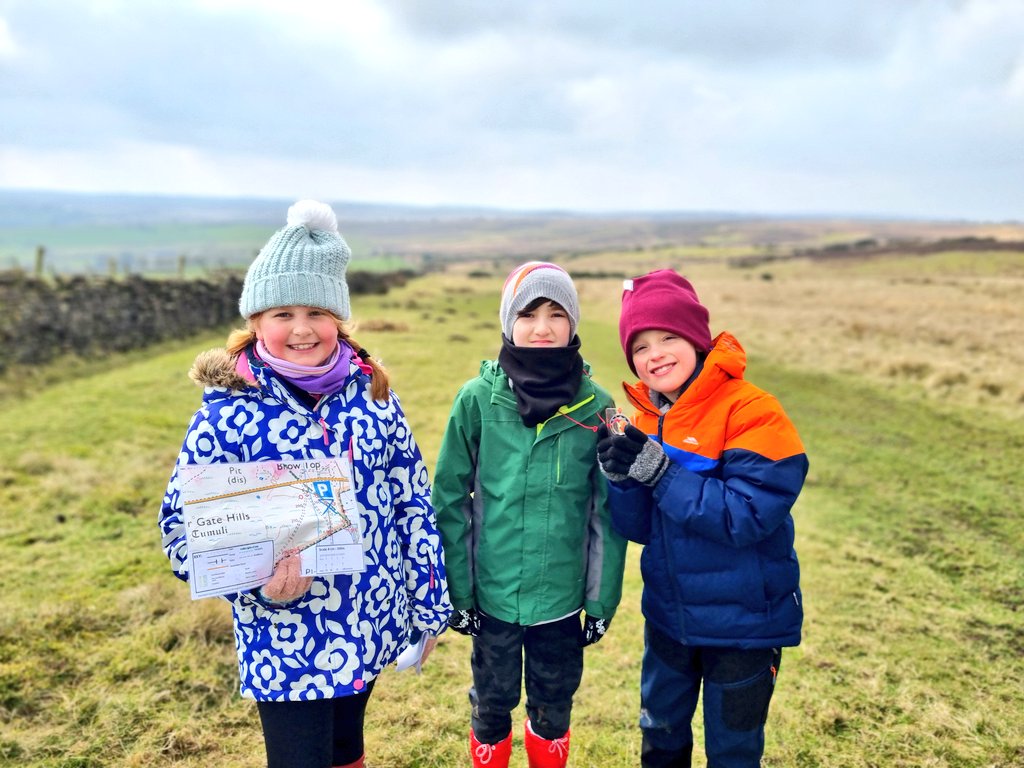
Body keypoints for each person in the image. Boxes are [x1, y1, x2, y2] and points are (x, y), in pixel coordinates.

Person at [158, 200, 452, 768]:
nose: (301, 328)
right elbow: (180, 530)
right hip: (283, 636)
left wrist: (428, 607)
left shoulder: (374, 397)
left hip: (370, 618)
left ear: (338, 318)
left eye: (317, 311)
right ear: (255, 321)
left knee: (346, 749)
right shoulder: (225, 415)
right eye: (282, 313)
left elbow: (413, 503)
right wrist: (256, 585)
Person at [597, 269, 808, 768]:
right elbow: (641, 528)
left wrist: (660, 472)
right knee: (660, 739)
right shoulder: (646, 418)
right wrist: (621, 477)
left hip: (743, 628)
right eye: (640, 347)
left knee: (733, 752)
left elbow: (746, 516)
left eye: (668, 338)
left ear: (696, 339)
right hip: (669, 620)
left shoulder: (754, 411)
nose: (655, 355)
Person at [433, 262, 628, 768]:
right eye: (528, 314)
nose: (543, 327)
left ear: (574, 322)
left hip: (561, 601)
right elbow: (450, 500)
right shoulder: (477, 401)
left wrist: (600, 599)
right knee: (492, 702)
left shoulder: (599, 407)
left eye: (556, 314)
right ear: (508, 322)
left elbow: (606, 514)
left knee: (553, 705)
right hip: (492, 598)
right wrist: (459, 591)